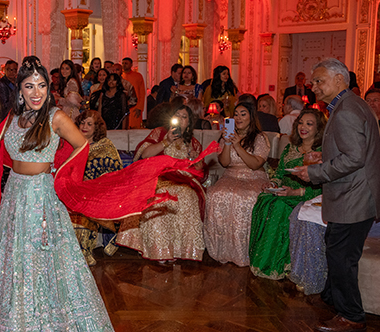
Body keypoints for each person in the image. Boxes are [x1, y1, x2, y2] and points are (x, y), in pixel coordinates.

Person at [0, 56, 117, 332]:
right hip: (15, 196)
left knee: (46, 264)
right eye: (29, 86)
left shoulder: (55, 117)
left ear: (48, 88)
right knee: (17, 265)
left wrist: (61, 178)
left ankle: (56, 331)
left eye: (41, 85)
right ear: (20, 90)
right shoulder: (14, 118)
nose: (36, 91)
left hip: (42, 198)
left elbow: (82, 147)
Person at [291, 58, 380, 332]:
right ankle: (333, 298)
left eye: (319, 80)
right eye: (313, 81)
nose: (313, 86)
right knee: (338, 249)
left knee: (341, 257)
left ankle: (351, 316)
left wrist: (314, 173)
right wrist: (323, 157)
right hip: (357, 193)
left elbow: (354, 158)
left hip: (354, 196)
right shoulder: (350, 104)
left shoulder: (347, 110)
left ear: (339, 80)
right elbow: (353, 150)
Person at [117, 104, 206, 262]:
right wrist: (165, 142)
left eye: (184, 117)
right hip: (160, 179)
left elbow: (200, 172)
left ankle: (180, 250)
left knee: (187, 197)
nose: (180, 119)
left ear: (189, 123)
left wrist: (196, 162)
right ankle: (159, 250)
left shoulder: (194, 144)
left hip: (184, 181)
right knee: (158, 198)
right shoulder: (160, 133)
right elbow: (144, 155)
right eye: (177, 115)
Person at [248, 109, 325, 280]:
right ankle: (261, 259)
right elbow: (279, 173)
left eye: (309, 124)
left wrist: (295, 192)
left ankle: (278, 264)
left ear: (318, 128)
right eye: (301, 122)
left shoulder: (322, 152)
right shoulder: (291, 147)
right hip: (285, 192)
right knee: (264, 199)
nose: (302, 127)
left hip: (307, 195)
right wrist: (273, 183)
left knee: (278, 206)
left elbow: (323, 186)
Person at [203, 101, 270, 266]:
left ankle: (245, 252)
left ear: (251, 117)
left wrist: (238, 145)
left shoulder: (260, 137)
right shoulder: (227, 136)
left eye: (243, 114)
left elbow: (255, 164)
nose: (238, 117)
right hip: (230, 175)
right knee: (216, 194)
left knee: (247, 197)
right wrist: (227, 142)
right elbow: (225, 163)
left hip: (254, 176)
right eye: (236, 114)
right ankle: (222, 250)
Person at [70, 110, 122, 265]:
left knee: (85, 208)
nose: (84, 126)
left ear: (96, 128)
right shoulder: (69, 144)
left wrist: (92, 184)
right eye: (82, 122)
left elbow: (114, 172)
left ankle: (83, 252)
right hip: (72, 190)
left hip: (95, 192)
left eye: (89, 124)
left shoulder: (105, 146)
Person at [121, 57, 146, 128]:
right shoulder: (120, 77)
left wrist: (139, 107)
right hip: (124, 107)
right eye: (123, 63)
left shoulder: (138, 76)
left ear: (131, 64)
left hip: (135, 107)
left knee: (135, 128)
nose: (124, 65)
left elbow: (142, 93)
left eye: (126, 63)